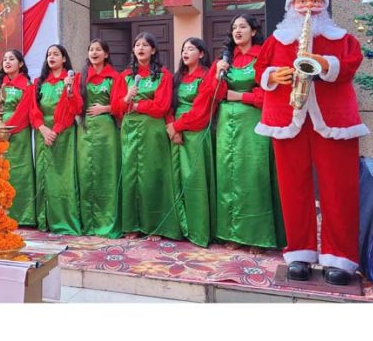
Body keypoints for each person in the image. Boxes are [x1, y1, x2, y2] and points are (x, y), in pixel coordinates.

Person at [254, 0, 369, 285]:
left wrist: (323, 63)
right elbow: (260, 69)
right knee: (293, 189)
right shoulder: (277, 40)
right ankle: (300, 253)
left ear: (325, 5)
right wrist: (273, 76)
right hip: (288, 117)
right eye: (302, 1)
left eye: (315, 1)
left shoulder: (342, 38)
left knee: (339, 189)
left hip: (333, 121)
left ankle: (340, 257)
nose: (308, 7)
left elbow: (351, 64)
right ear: (291, 6)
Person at [213, 14, 285, 252]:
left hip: (253, 124)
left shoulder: (263, 56)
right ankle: (232, 233)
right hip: (226, 125)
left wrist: (240, 96)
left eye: (242, 26)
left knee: (253, 177)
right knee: (229, 178)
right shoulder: (226, 60)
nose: (237, 31)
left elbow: (270, 95)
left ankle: (257, 236)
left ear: (253, 31)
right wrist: (217, 75)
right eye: (234, 27)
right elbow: (214, 95)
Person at [111, 32, 182, 239]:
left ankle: (155, 226)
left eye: (145, 45)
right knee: (130, 176)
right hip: (129, 131)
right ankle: (131, 225)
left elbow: (161, 106)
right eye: (137, 45)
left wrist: (136, 105)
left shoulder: (163, 75)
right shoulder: (124, 77)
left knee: (152, 176)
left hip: (153, 131)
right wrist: (126, 99)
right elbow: (116, 107)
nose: (140, 48)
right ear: (133, 50)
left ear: (153, 50)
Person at [166, 38, 218, 247]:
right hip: (175, 133)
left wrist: (178, 127)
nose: (185, 52)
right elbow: (168, 106)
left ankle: (199, 230)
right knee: (176, 180)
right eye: (183, 49)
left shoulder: (206, 77)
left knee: (195, 181)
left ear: (202, 54)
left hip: (195, 133)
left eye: (190, 49)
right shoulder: (177, 78)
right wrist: (171, 126)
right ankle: (180, 227)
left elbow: (202, 111)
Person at [30, 44, 83, 235]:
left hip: (64, 132)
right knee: (44, 176)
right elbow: (33, 109)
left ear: (64, 59)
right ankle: (45, 220)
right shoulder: (38, 82)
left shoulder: (72, 79)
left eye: (56, 54)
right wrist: (43, 129)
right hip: (43, 132)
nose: (51, 57)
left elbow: (76, 108)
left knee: (63, 177)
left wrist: (57, 129)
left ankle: (65, 220)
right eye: (48, 54)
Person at [0, 50, 37, 227]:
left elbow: (24, 111)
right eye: (5, 59)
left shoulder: (27, 85)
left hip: (17, 133)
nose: (7, 62)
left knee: (18, 173)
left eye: (11, 59)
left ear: (21, 64)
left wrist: (7, 128)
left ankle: (22, 216)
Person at [76, 38, 121, 238]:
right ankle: (88, 222)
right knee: (86, 174)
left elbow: (122, 104)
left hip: (106, 130)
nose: (94, 53)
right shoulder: (80, 77)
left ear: (106, 54)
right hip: (85, 131)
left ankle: (107, 222)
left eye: (98, 50)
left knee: (106, 174)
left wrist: (106, 108)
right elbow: (76, 107)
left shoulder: (114, 77)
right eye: (91, 49)